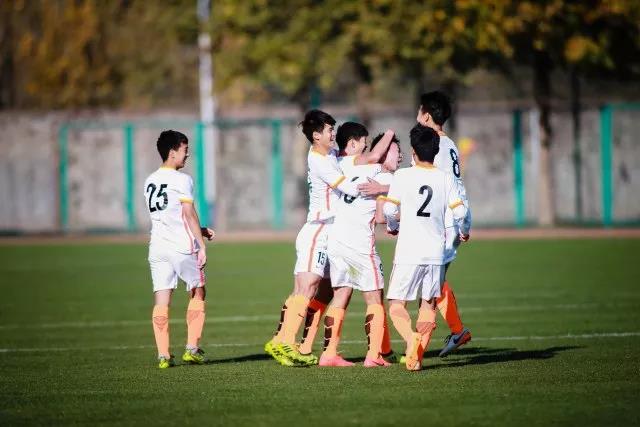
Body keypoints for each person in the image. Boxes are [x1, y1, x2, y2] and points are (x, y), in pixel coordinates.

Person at [264, 110, 364, 367]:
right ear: (316, 135)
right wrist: (382, 187)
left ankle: (282, 341)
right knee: (307, 287)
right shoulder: (319, 160)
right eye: (329, 130)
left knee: (319, 290)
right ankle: (286, 342)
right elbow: (348, 187)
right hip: (318, 229)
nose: (333, 134)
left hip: (331, 232)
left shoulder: (327, 153)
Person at [383, 125, 469, 371]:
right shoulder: (445, 178)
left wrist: (392, 226)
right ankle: (416, 358)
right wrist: (463, 231)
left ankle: (411, 340)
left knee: (397, 304)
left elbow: (389, 209)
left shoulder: (402, 176)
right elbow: (460, 212)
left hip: (409, 250)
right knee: (428, 304)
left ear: (413, 152)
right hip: (435, 252)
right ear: (436, 151)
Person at [314, 124, 399, 367]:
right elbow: (388, 211)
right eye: (396, 150)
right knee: (374, 298)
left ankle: (328, 354)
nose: (399, 156)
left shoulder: (345, 164)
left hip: (337, 241)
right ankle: (374, 356)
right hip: (360, 244)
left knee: (341, 295)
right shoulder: (383, 174)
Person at [144, 130, 214, 369]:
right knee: (198, 291)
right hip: (182, 247)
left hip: (157, 247)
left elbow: (169, 216)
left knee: (162, 299)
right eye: (185, 149)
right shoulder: (182, 179)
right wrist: (201, 243)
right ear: (172, 152)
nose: (188, 154)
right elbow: (187, 213)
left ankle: (163, 355)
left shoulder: (150, 180)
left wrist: (200, 230)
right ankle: (192, 349)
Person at [417, 91, 472, 356]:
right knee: (432, 281)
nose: (417, 116)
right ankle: (456, 331)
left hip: (445, 219)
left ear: (427, 115)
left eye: (419, 111)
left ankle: (417, 350)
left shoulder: (432, 145)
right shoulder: (449, 143)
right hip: (457, 215)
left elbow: (426, 184)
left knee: (429, 283)